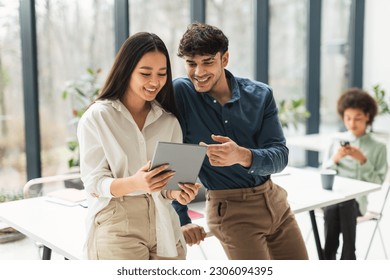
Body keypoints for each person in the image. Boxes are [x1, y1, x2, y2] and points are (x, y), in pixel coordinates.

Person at [172, 22, 308, 260]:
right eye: (191, 63)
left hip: (276, 202)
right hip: (231, 211)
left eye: (207, 62)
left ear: (225, 59)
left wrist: (242, 155)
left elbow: (280, 155)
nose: (198, 72)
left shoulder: (260, 94)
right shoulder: (183, 93)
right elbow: (176, 153)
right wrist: (181, 219)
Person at [77, 32, 201, 260]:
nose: (155, 82)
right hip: (117, 221)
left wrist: (179, 192)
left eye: (162, 74)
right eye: (145, 73)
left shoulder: (168, 121)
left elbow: (167, 188)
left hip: (164, 223)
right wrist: (135, 182)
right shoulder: (98, 117)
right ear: (126, 70)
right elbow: (93, 183)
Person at [322, 88, 388, 260]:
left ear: (367, 116)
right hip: (333, 200)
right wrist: (336, 158)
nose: (352, 123)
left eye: (357, 118)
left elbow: (379, 182)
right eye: (348, 118)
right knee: (335, 204)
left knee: (346, 202)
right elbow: (324, 172)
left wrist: (363, 160)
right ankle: (347, 256)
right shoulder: (337, 141)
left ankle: (330, 256)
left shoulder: (378, 147)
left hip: (356, 204)